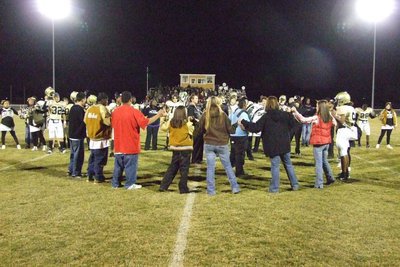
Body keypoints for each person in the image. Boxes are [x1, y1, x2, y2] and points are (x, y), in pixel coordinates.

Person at [239, 96, 299, 193]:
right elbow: (295, 124)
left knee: (275, 166)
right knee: (288, 164)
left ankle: (275, 188)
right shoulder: (285, 115)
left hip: (272, 145)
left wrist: (243, 122)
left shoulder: (266, 117)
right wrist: (287, 131)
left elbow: (255, 128)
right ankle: (295, 184)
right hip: (284, 143)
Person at [111, 91, 166, 189]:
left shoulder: (115, 111)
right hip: (130, 144)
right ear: (130, 99)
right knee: (130, 166)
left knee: (118, 166)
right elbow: (146, 122)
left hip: (118, 144)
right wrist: (158, 115)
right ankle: (130, 184)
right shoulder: (134, 111)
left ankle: (115, 183)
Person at [197, 96, 240, 195]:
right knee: (228, 166)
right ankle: (235, 187)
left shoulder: (205, 115)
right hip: (222, 144)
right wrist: (236, 124)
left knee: (210, 168)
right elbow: (231, 130)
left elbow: (200, 130)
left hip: (209, 144)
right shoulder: (223, 115)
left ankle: (211, 190)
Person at [292, 100, 337, 188]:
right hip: (327, 142)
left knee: (319, 163)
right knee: (324, 161)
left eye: (317, 106)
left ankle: (319, 184)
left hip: (319, 143)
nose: (316, 108)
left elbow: (303, 120)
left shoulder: (317, 117)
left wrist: (295, 112)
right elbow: (334, 123)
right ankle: (330, 177)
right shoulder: (329, 116)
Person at [159, 106, 193, 193]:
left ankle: (164, 185)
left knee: (172, 168)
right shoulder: (187, 124)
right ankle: (183, 188)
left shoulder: (171, 123)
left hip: (175, 149)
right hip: (186, 149)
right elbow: (192, 131)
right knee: (184, 170)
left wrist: (163, 119)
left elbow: (163, 128)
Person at [84, 92, 112, 183]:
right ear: (103, 100)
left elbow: (85, 120)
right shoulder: (102, 108)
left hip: (92, 137)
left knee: (92, 157)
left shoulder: (90, 108)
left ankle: (89, 175)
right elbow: (108, 122)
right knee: (100, 158)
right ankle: (98, 176)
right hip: (101, 137)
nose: (107, 101)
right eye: (106, 100)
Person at [332, 92, 358, 181]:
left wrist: (334, 114)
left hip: (344, 130)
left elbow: (342, 121)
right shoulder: (351, 108)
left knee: (343, 153)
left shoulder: (342, 108)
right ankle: (345, 172)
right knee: (345, 152)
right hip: (350, 130)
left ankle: (344, 173)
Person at [67, 92, 87, 178]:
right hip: (77, 135)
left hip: (71, 134)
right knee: (78, 155)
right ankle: (76, 172)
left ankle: (70, 170)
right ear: (82, 100)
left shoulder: (72, 108)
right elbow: (83, 122)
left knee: (73, 154)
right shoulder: (79, 109)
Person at [229, 97, 250, 176]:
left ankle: (231, 168)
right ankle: (239, 172)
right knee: (240, 154)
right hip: (241, 135)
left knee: (233, 152)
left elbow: (229, 120)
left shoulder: (234, 112)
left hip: (233, 135)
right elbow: (244, 124)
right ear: (244, 105)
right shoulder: (244, 113)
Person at [187, 94, 203, 164]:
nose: (197, 99)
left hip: (200, 127)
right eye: (195, 98)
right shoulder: (191, 107)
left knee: (200, 143)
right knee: (196, 143)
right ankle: (194, 159)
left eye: (197, 98)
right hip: (195, 127)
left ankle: (199, 159)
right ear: (192, 99)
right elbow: (190, 117)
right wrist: (197, 120)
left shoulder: (196, 107)